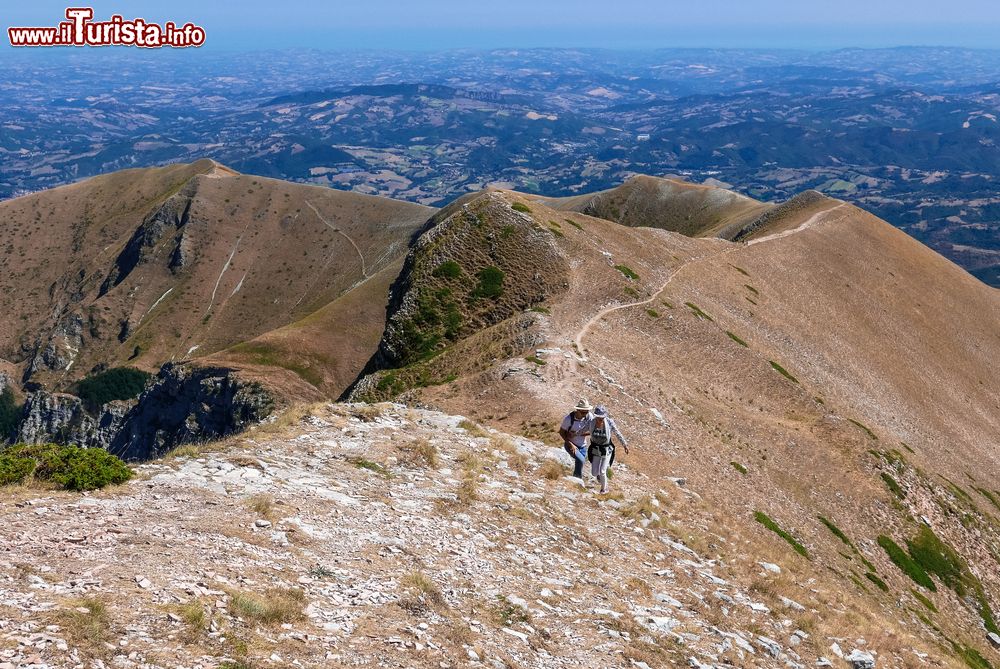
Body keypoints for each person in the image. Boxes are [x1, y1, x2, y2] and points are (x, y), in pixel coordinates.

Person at [588, 405, 629, 494]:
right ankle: (600, 477)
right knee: (594, 472)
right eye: (599, 417)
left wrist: (625, 444)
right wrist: (576, 433)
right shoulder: (592, 423)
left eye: (602, 417)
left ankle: (604, 489)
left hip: (607, 449)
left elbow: (617, 433)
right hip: (596, 448)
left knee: (603, 470)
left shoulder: (609, 422)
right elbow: (585, 430)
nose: (601, 419)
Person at [559, 398, 593, 479]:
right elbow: (561, 432)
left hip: (583, 446)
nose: (585, 414)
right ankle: (578, 480)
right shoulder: (568, 419)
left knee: (580, 463)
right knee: (581, 460)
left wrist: (579, 434)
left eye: (587, 411)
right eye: (583, 412)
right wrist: (570, 444)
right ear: (578, 410)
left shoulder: (589, 417)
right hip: (571, 445)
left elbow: (593, 431)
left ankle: (575, 481)